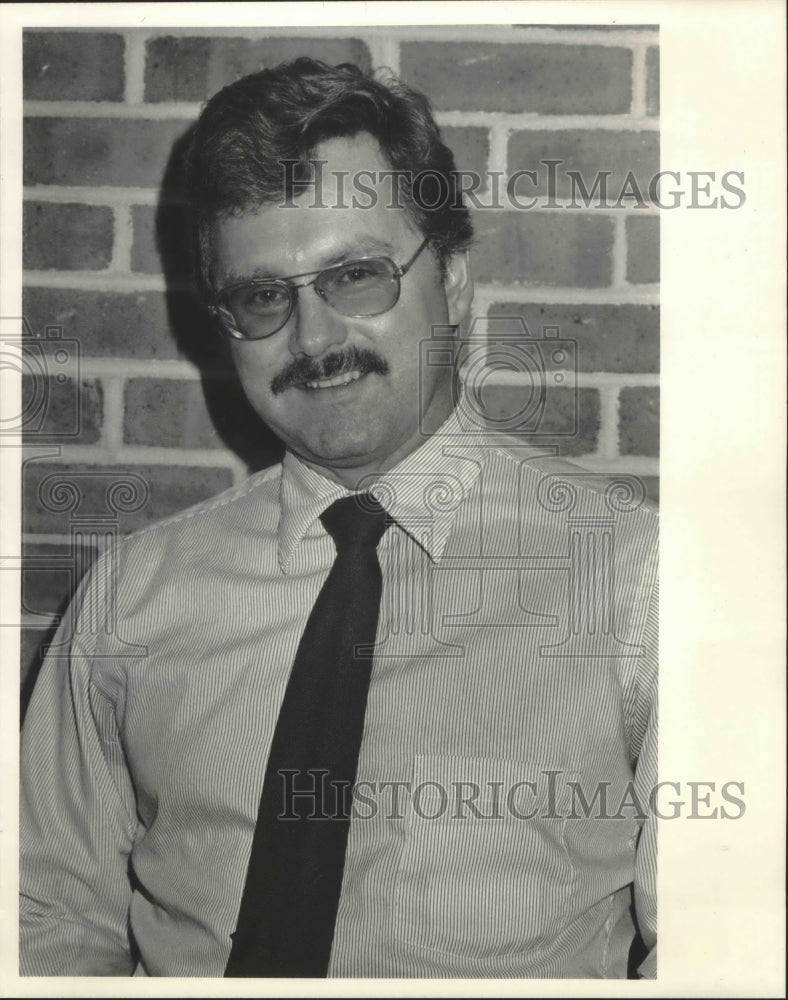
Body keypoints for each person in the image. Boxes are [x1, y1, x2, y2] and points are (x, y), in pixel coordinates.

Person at [19, 58, 658, 979]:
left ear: (455, 280)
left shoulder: (638, 582)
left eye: (357, 276)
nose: (315, 341)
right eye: (263, 297)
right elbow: (46, 917)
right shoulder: (130, 595)